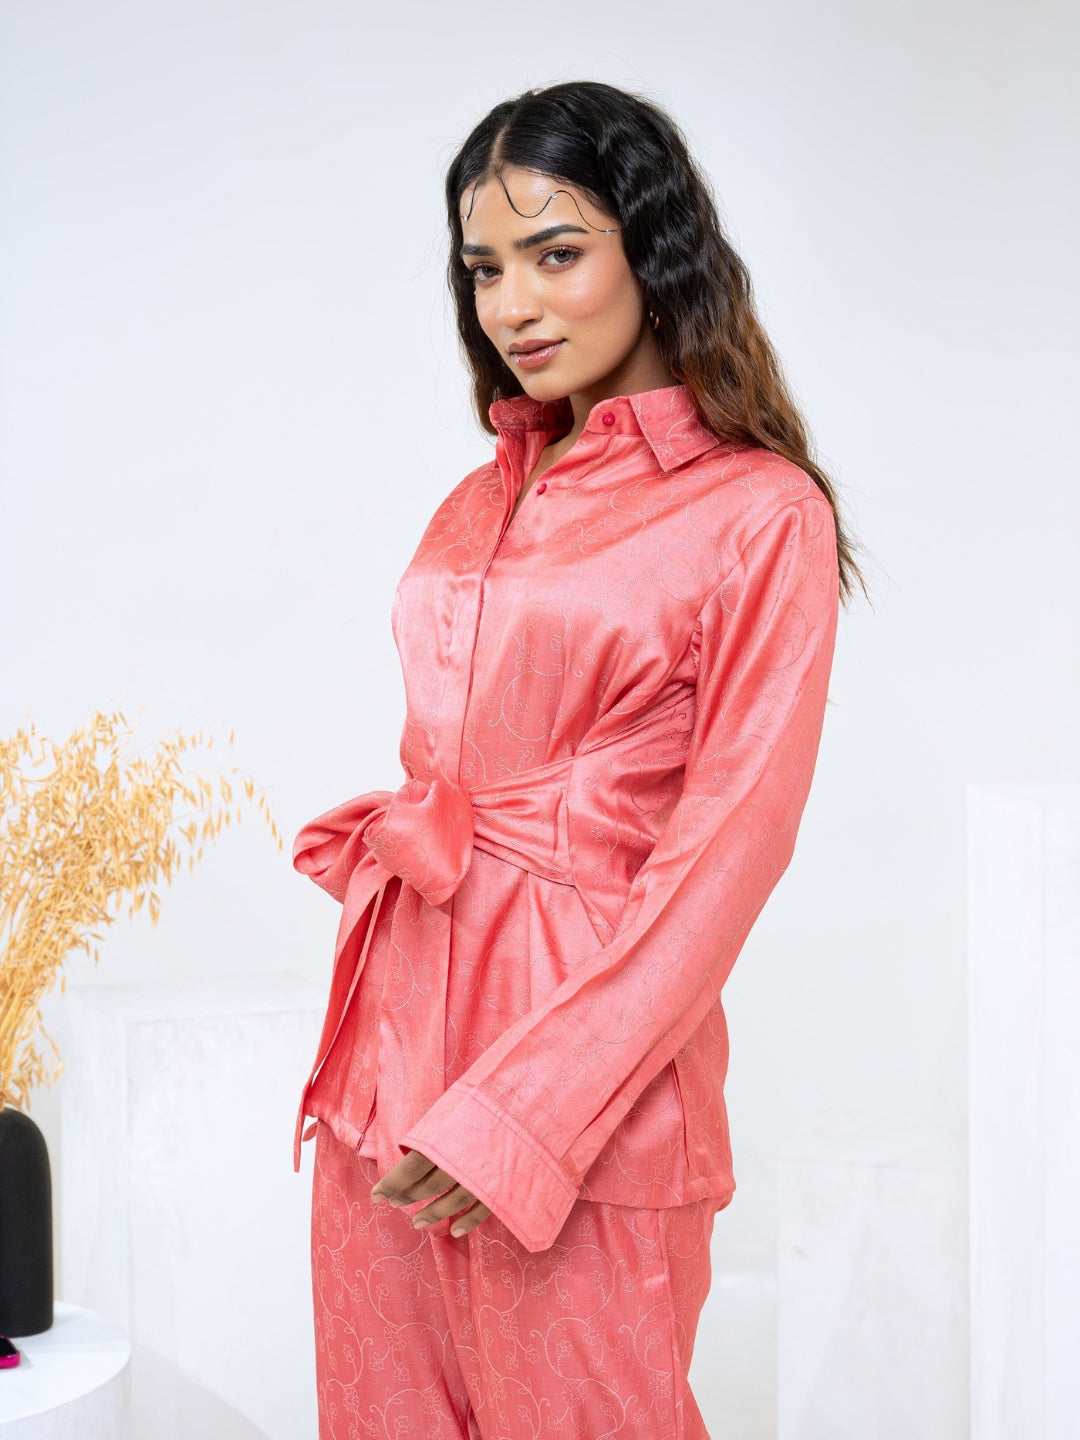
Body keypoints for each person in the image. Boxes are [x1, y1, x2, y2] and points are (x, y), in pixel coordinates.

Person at [292, 80, 860, 1440]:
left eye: (556, 253)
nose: (514, 304)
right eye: (485, 268)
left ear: (652, 249)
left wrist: (525, 1116)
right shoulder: (475, 496)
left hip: (582, 1094)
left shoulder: (758, 513)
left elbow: (729, 852)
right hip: (390, 1064)